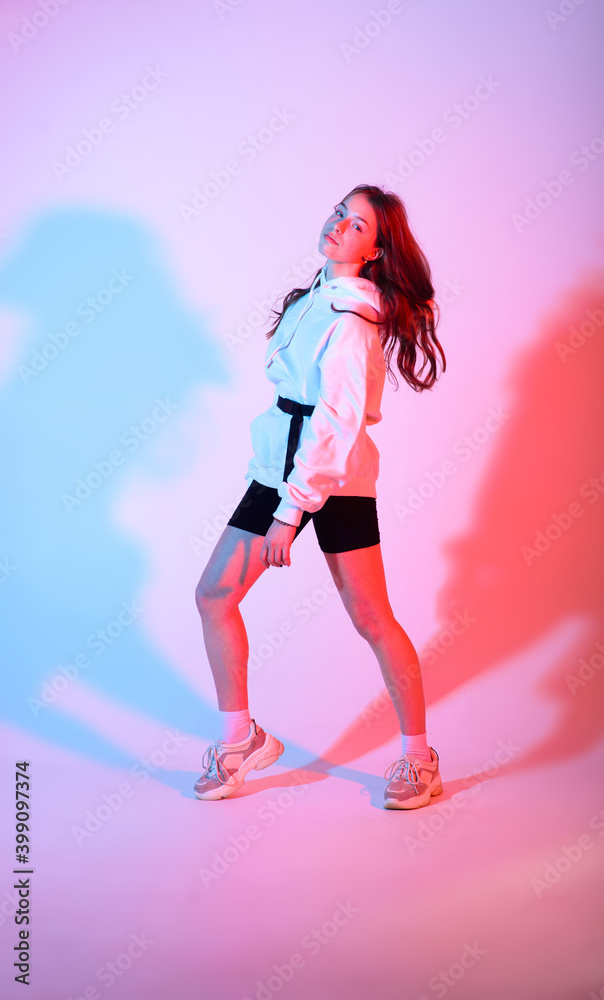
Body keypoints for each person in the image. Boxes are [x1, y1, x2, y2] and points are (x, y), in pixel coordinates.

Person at [194, 183, 446, 809]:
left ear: (376, 250)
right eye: (340, 213)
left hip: (327, 478)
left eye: (357, 225)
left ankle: (420, 759)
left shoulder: (351, 317)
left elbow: (334, 424)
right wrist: (278, 489)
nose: (339, 225)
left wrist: (288, 513)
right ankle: (240, 741)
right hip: (282, 467)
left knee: (372, 620)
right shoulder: (319, 296)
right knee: (214, 595)